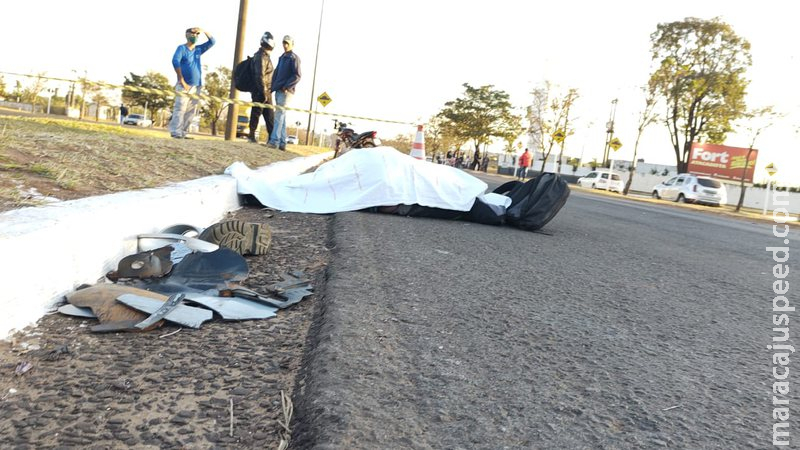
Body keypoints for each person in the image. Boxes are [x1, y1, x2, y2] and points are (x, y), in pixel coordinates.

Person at [168, 27, 215, 139]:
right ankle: (175, 132)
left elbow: (212, 42)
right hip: (184, 85)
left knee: (191, 111)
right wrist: (181, 79)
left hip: (196, 85)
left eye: (197, 34)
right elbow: (175, 61)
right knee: (180, 108)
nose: (195, 35)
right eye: (193, 33)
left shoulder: (198, 49)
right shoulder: (182, 48)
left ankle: (183, 132)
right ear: (187, 34)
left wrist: (203, 30)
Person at [268, 35, 301, 150]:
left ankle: (274, 141)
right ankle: (282, 143)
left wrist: (286, 87)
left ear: (292, 44)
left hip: (286, 91)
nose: (285, 45)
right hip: (278, 90)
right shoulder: (282, 57)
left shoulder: (293, 58)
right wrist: (271, 88)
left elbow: (297, 75)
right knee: (282, 116)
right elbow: (276, 73)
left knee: (279, 115)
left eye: (287, 43)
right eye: (283, 43)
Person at [246, 31, 276, 143]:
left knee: (267, 116)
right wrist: (264, 93)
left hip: (263, 90)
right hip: (262, 91)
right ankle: (252, 136)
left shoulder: (262, 56)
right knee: (259, 114)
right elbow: (260, 75)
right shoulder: (261, 57)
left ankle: (270, 139)